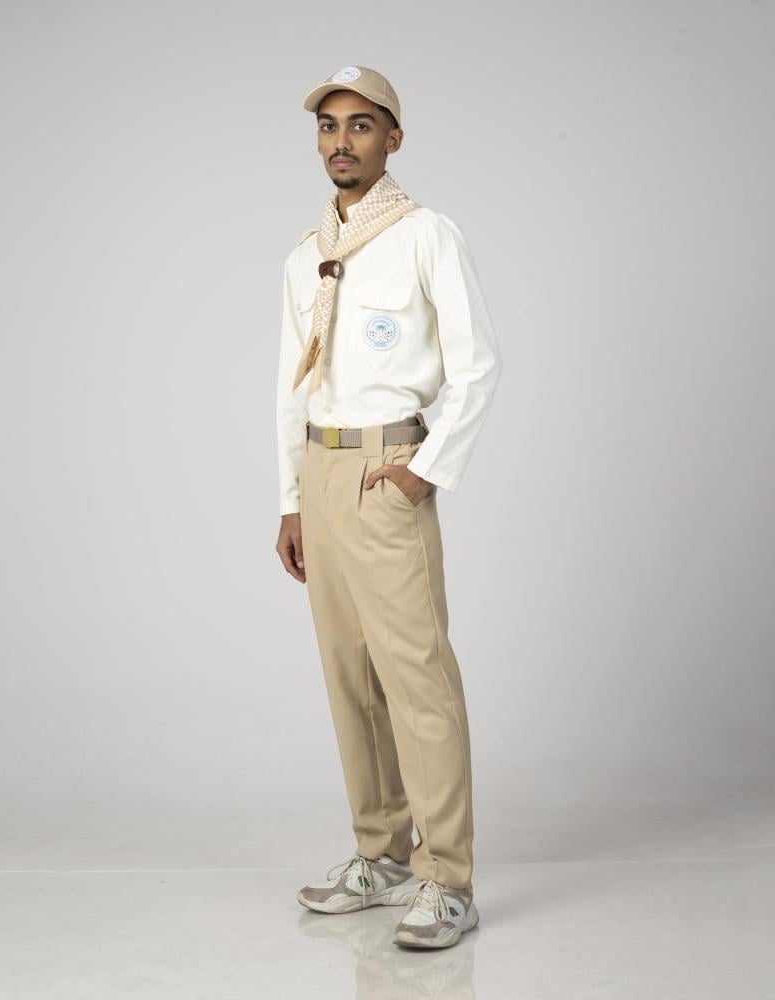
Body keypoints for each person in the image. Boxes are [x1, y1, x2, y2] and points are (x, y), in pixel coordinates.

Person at [275, 65, 502, 950]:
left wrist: (425, 471)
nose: (342, 141)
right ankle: (382, 852)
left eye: (361, 125)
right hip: (322, 471)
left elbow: (478, 364)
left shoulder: (424, 235)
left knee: (417, 677)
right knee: (350, 677)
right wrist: (291, 499)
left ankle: (448, 876)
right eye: (329, 126)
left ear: (392, 139)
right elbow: (289, 388)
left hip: (388, 468)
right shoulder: (306, 255)